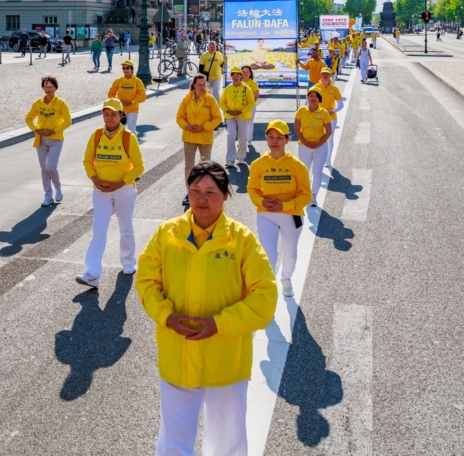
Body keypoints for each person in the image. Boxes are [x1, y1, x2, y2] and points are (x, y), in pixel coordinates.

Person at [136, 161, 276, 456]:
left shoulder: (242, 240)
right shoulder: (167, 234)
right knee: (173, 440)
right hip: (179, 353)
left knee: (227, 441)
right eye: (195, 190)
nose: (201, 198)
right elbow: (147, 281)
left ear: (226, 196)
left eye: (211, 192)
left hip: (225, 359)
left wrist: (219, 324)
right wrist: (166, 316)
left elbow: (265, 297)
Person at [76, 98, 145, 289]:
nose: (109, 118)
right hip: (101, 191)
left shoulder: (128, 137)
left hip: (123, 190)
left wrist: (120, 183)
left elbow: (139, 167)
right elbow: (87, 160)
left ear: (121, 115)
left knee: (125, 226)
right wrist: (94, 178)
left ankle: (128, 262)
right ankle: (91, 274)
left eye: (113, 114)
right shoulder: (96, 135)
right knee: (98, 229)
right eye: (106, 114)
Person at [248, 120, 312, 298]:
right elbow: (252, 189)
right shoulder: (258, 165)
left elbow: (306, 195)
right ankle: (268, 288)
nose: (274, 141)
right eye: (270, 137)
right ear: (266, 139)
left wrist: (284, 205)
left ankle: (286, 277)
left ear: (287, 140)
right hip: (266, 214)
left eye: (279, 138)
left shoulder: (297, 166)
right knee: (268, 253)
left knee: (290, 252)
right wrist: (262, 202)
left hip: (291, 215)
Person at [176, 74, 223, 207]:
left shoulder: (211, 100)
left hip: (204, 137)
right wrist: (186, 125)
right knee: (189, 165)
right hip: (189, 136)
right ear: (194, 85)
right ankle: (189, 191)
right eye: (200, 84)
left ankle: (205, 191)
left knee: (205, 165)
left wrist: (204, 127)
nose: (202, 87)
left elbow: (217, 118)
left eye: (204, 84)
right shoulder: (186, 99)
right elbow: (179, 117)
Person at [25, 75, 72, 207]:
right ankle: (48, 196)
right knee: (44, 169)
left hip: (56, 139)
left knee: (51, 167)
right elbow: (28, 118)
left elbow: (68, 121)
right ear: (43, 87)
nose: (48, 89)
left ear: (55, 87)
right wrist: (35, 129)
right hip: (41, 139)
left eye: (51, 86)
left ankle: (58, 188)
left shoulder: (61, 103)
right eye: (46, 86)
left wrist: (55, 130)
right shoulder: (37, 103)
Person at [295, 87, 332, 207]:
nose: (313, 98)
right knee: (305, 171)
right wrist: (305, 142)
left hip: (320, 147)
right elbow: (296, 128)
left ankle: (314, 195)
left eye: (316, 96)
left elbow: (329, 131)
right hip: (304, 146)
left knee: (317, 172)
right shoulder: (301, 111)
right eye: (311, 96)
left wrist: (319, 143)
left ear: (319, 99)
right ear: (307, 97)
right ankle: (305, 193)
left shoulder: (324, 113)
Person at [220, 66, 255, 168]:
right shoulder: (228, 89)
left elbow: (251, 103)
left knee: (242, 137)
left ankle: (241, 157)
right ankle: (230, 159)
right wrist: (227, 110)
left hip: (242, 116)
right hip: (230, 116)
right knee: (231, 135)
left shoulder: (246, 88)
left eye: (237, 74)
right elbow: (222, 102)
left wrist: (241, 111)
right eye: (233, 74)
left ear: (241, 76)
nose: (235, 76)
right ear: (231, 76)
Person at [107, 60, 147, 134]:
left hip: (133, 109)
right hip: (121, 110)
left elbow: (143, 96)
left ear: (132, 69)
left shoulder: (137, 81)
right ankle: (120, 145)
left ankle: (132, 144)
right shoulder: (118, 81)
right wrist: (118, 102)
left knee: (131, 130)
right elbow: (110, 94)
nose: (125, 70)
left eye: (127, 68)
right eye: (123, 68)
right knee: (120, 130)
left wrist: (131, 102)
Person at [317, 68, 344, 162]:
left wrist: (333, 111)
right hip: (317, 117)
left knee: (329, 138)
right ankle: (319, 158)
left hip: (331, 117)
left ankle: (328, 158)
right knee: (318, 137)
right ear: (320, 75)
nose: (325, 75)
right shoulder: (316, 88)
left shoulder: (334, 88)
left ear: (330, 75)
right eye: (323, 73)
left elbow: (341, 104)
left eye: (327, 74)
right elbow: (307, 102)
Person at [241, 65, 260, 153]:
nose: (245, 74)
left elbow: (256, 94)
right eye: (243, 72)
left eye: (247, 72)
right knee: (241, 123)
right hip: (240, 107)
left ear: (250, 73)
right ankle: (242, 140)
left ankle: (249, 139)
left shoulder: (253, 83)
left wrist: (251, 104)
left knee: (249, 123)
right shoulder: (238, 82)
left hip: (250, 106)